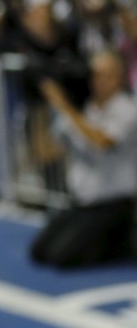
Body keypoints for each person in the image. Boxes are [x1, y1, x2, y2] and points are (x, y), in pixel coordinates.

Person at [30, 50, 137, 268]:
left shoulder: (128, 109)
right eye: (96, 74)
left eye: (107, 75)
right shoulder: (85, 110)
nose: (100, 81)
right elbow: (45, 153)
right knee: (40, 251)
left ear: (121, 77)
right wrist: (39, 109)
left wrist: (64, 106)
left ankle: (125, 242)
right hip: (83, 203)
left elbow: (102, 141)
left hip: (115, 204)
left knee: (64, 257)